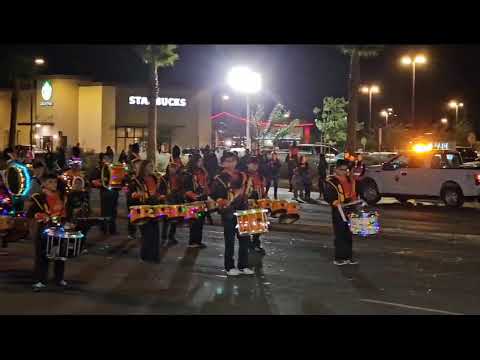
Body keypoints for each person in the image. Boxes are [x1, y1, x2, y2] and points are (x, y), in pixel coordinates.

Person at [210, 153, 254, 276]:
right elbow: (215, 195)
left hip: (243, 210)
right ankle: (229, 267)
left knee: (245, 239)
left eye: (233, 160)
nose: (231, 163)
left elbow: (249, 191)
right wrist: (221, 201)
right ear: (222, 163)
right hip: (229, 212)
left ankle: (243, 265)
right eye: (227, 161)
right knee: (230, 240)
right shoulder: (219, 178)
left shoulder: (242, 175)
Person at [27, 174, 68, 291]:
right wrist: (40, 215)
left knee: (60, 255)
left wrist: (67, 221)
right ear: (43, 184)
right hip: (44, 229)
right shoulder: (38, 198)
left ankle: (59, 278)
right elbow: (30, 213)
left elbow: (66, 213)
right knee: (42, 255)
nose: (53, 184)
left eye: (54, 182)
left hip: (59, 228)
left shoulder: (62, 197)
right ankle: (40, 280)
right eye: (50, 182)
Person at [324, 159, 359, 266]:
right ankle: (339, 257)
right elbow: (328, 196)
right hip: (338, 209)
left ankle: (348, 256)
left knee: (349, 233)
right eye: (341, 170)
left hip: (350, 207)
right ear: (336, 169)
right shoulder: (331, 180)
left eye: (345, 169)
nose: (344, 172)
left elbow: (353, 192)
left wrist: (355, 203)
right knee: (340, 233)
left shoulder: (349, 179)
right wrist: (336, 203)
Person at [128, 160, 161, 262]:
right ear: (144, 167)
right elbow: (132, 194)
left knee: (155, 232)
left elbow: (157, 191)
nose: (152, 167)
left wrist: (160, 196)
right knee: (146, 233)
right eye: (150, 166)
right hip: (142, 209)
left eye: (152, 165)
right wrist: (144, 194)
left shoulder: (154, 178)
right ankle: (145, 256)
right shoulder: (136, 180)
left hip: (154, 207)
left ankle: (154, 256)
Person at [90, 153, 119, 235]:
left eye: (109, 158)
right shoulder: (99, 169)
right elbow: (93, 180)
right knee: (105, 211)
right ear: (102, 160)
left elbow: (119, 178)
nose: (107, 160)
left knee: (113, 211)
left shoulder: (114, 168)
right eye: (105, 158)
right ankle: (104, 228)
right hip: (104, 191)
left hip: (114, 191)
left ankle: (112, 229)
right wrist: (101, 182)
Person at [183, 154, 209, 248]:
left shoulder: (202, 171)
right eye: (200, 161)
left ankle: (198, 241)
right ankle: (193, 241)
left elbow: (205, 182)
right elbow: (186, 188)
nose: (202, 162)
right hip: (193, 200)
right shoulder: (189, 174)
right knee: (194, 221)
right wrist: (194, 196)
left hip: (202, 199)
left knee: (200, 220)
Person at [158, 162, 184, 246]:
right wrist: (164, 195)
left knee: (174, 220)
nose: (173, 169)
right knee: (166, 220)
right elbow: (160, 189)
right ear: (168, 168)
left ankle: (171, 237)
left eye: (174, 167)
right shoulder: (164, 178)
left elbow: (181, 189)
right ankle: (163, 237)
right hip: (167, 200)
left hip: (176, 199)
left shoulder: (178, 178)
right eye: (171, 167)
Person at [65, 176, 91, 253]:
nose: (78, 185)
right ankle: (72, 248)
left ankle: (80, 247)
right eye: (76, 183)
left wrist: (87, 211)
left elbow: (87, 205)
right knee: (73, 233)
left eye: (79, 183)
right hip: (73, 217)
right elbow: (67, 206)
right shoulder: (70, 195)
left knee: (82, 233)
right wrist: (73, 211)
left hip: (83, 217)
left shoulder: (85, 194)